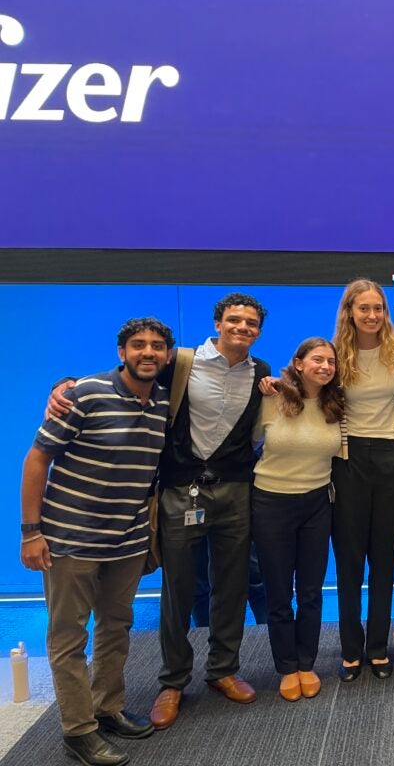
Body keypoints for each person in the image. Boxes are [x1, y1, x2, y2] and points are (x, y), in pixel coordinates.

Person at [51, 293, 273, 729]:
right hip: (179, 491)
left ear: (258, 330)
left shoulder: (260, 371)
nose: (242, 328)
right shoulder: (180, 362)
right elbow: (129, 374)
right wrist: (64, 383)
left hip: (234, 490)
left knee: (233, 584)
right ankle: (172, 681)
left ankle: (223, 670)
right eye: (234, 320)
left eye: (250, 323)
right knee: (179, 588)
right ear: (217, 322)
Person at [23, 318, 173, 766]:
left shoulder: (163, 399)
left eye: (157, 346)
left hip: (126, 540)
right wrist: (31, 532)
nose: (148, 353)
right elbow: (37, 459)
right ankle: (78, 730)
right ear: (122, 351)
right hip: (70, 540)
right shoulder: (85, 393)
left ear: (167, 355)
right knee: (68, 636)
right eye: (138, 345)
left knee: (115, 626)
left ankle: (107, 707)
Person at [251, 338, 343, 701]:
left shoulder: (334, 403)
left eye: (331, 361)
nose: (325, 366)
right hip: (271, 502)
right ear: (299, 363)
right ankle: (286, 667)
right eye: (317, 359)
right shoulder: (271, 398)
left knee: (310, 591)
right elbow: (247, 443)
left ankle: (307, 663)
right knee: (278, 592)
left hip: (318, 503)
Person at [331, 279, 394, 681]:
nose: (373, 315)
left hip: (391, 458)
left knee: (383, 559)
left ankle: (378, 647)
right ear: (350, 312)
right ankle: (349, 649)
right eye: (364, 308)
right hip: (348, 461)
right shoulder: (335, 355)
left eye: (378, 308)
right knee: (349, 562)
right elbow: (305, 385)